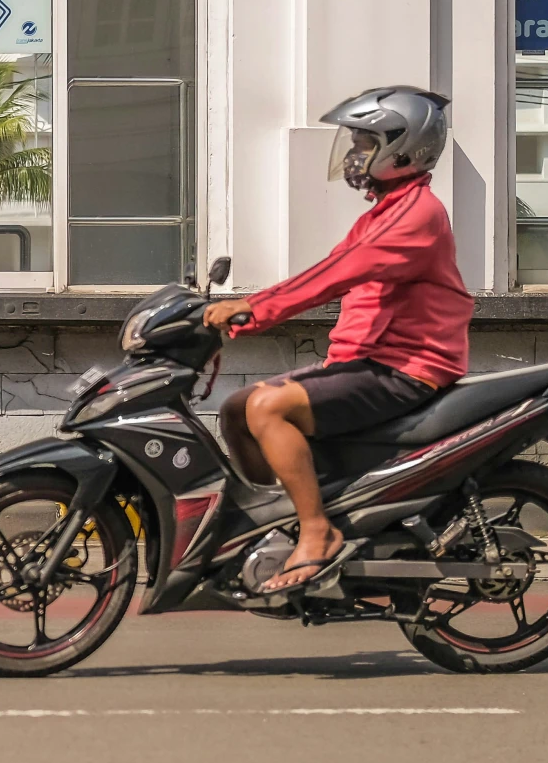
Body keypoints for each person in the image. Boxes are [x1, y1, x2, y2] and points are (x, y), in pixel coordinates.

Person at [201, 87, 471, 596]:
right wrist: (237, 311)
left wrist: (255, 309)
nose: (353, 154)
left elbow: (336, 275)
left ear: (402, 149)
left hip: (404, 370)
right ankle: (276, 521)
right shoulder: (384, 212)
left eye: (364, 143)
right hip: (365, 362)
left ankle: (315, 531)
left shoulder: (418, 216)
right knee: (237, 409)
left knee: (267, 410)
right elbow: (325, 271)